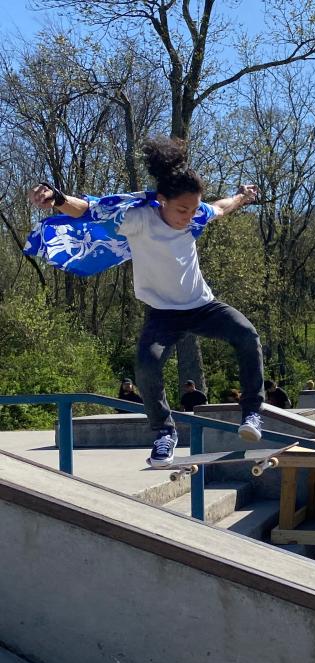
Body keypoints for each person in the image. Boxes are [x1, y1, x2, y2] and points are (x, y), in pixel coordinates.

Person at [28, 136, 265, 468]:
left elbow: (222, 207)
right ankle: (164, 433)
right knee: (147, 365)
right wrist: (57, 199)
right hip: (163, 316)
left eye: (194, 209)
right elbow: (88, 210)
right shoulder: (138, 220)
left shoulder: (196, 216)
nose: (189, 216)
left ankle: (253, 413)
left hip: (203, 307)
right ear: (162, 201)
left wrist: (242, 195)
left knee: (247, 334)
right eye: (182, 209)